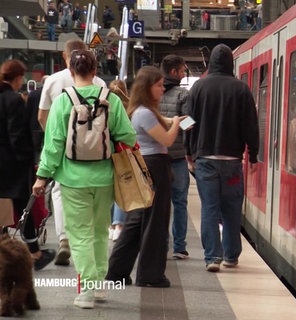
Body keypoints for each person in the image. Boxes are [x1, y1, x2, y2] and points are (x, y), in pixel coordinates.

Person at [32, 49, 136, 308]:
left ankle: (87, 290)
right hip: (104, 179)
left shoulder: (63, 101)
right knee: (100, 231)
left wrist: (42, 177)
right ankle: (99, 286)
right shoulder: (109, 98)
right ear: (95, 71)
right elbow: (129, 137)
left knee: (79, 235)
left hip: (72, 179)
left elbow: (53, 144)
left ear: (71, 71)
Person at [106, 66, 185, 288]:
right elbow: (168, 140)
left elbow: (164, 122)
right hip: (154, 167)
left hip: (146, 165)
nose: (162, 89)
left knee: (137, 221)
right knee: (155, 222)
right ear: (147, 88)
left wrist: (174, 120)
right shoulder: (145, 113)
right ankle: (150, 275)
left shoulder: (142, 111)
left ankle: (117, 272)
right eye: (159, 85)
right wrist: (177, 123)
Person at [185, 44, 259, 272]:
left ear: (211, 63)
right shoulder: (242, 89)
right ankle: (231, 256)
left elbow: (188, 122)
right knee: (231, 209)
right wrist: (253, 155)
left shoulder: (198, 87)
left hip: (206, 160)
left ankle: (212, 258)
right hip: (232, 162)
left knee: (209, 207)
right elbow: (251, 125)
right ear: (230, 63)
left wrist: (189, 152)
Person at [38, 39, 107, 267]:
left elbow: (42, 117)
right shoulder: (100, 84)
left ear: (65, 59)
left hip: (67, 162)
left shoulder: (54, 81)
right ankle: (94, 283)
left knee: (58, 193)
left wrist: (45, 169)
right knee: (97, 227)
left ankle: (64, 238)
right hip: (100, 163)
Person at [0, 60, 56, 271]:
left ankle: (11, 251)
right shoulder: (12, 101)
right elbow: (16, 136)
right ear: (16, 78)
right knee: (24, 207)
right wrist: (28, 162)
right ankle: (34, 253)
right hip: (10, 166)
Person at [159, 55, 191, 259]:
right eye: (182, 71)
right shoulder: (183, 95)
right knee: (179, 203)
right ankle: (179, 247)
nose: (182, 74)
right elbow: (188, 125)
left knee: (158, 203)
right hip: (178, 158)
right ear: (174, 72)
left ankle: (160, 244)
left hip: (155, 157)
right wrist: (190, 153)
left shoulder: (151, 91)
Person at [107, 80, 129, 241]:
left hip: (106, 153)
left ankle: (109, 226)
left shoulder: (105, 105)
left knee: (109, 191)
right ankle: (119, 225)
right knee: (122, 191)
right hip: (124, 154)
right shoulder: (130, 106)